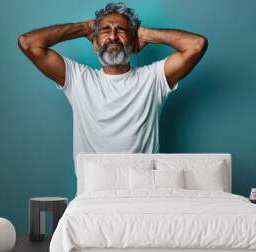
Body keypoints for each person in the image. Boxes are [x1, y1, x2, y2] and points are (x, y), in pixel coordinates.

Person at [18, 2, 208, 171]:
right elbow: (28, 43)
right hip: (93, 196)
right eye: (105, 30)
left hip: (144, 195)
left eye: (122, 30)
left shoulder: (153, 78)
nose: (113, 36)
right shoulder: (78, 79)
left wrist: (143, 34)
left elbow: (197, 45)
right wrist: (85, 27)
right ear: (95, 44)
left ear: (134, 43)